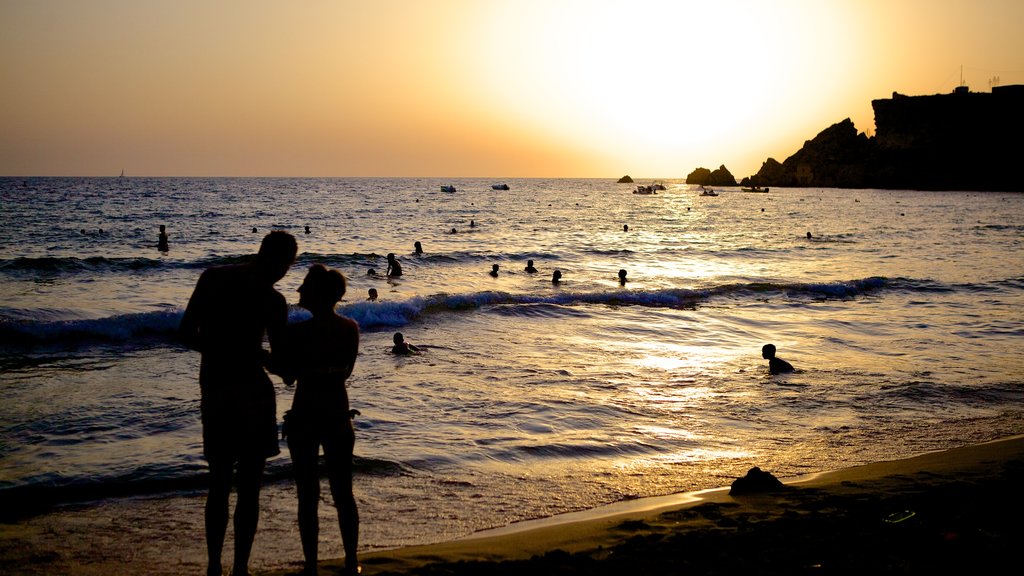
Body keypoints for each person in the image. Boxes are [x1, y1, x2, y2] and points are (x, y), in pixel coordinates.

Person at [178, 231, 297, 576]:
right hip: (250, 393)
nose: (283, 273)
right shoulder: (273, 301)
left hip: (216, 389)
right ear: (282, 262)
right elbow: (280, 362)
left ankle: (217, 566)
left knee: (220, 483)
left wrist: (222, 349)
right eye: (286, 265)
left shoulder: (213, 278)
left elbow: (185, 333)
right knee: (247, 488)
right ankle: (238, 568)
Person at [277, 264, 361, 576]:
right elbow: (345, 372)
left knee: (307, 495)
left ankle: (311, 565)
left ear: (316, 294)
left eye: (304, 287)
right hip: (339, 414)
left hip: (305, 416)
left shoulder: (298, 332)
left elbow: (287, 377)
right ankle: (351, 560)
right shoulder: (350, 328)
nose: (298, 291)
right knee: (343, 492)